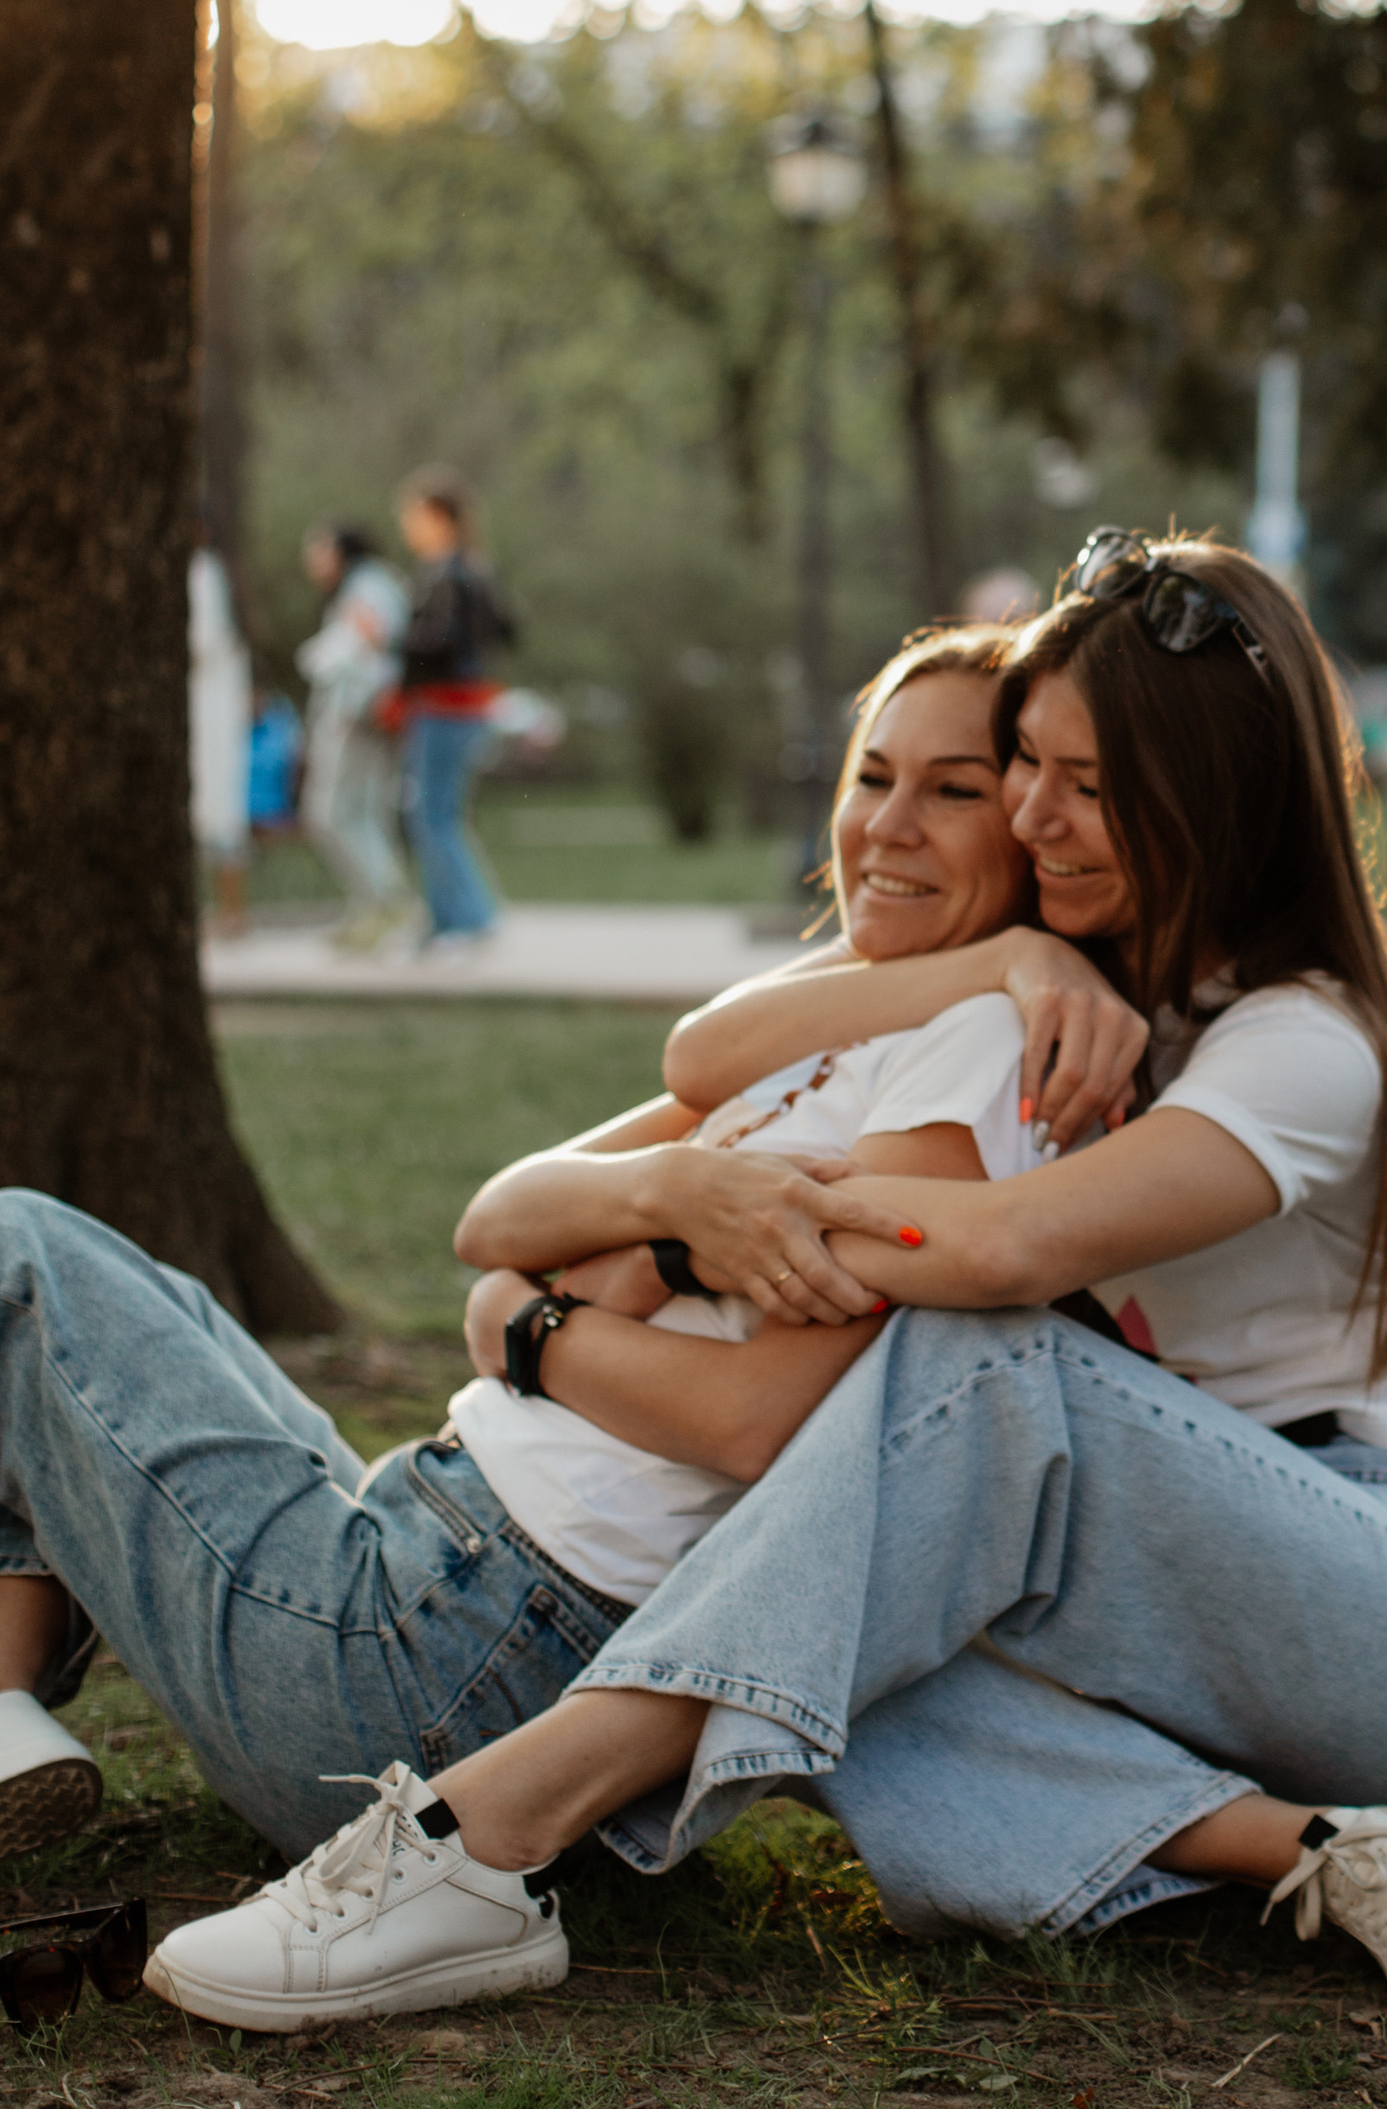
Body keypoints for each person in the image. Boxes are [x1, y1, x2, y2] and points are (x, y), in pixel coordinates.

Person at [146, 535, 1387, 2031]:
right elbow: (697, 1064)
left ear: (1220, 796)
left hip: (1385, 1612)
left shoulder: (1304, 1042)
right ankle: (1342, 1855)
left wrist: (671, 1240)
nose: (1032, 812)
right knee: (819, 1594)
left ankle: (482, 1839)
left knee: (971, 1363)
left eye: (1087, 783)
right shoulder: (1066, 994)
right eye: (1029, 769)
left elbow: (1000, 1250)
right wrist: (993, 961)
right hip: (1141, 1599)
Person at [0, 631, 1031, 1880]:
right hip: (434, 1572)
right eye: (873, 776)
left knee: (22, 1265)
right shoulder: (858, 1023)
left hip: (439, 1674)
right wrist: (671, 1198)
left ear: (1029, 821)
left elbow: (756, 1420)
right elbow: (497, 1221)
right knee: (143, 1317)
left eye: (956, 788)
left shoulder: (969, 1053)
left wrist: (535, 1329)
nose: (892, 824)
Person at [395, 468, 516, 947]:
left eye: (414, 515)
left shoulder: (449, 572)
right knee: (432, 810)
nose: (408, 525)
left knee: (433, 813)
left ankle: (468, 917)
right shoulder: (473, 568)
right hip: (456, 702)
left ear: (439, 517)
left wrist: (394, 643)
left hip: (447, 703)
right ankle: (446, 918)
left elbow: (441, 641)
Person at [296, 522, 412, 950]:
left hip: (357, 717)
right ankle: (374, 907)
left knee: (332, 813)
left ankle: (388, 906)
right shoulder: (371, 584)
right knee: (362, 813)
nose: (312, 562)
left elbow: (377, 638)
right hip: (362, 716)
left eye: (319, 551)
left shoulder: (368, 586)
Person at [188, 519, 253, 940]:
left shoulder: (203, 574)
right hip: (206, 705)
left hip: (211, 709)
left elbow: (203, 642)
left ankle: (232, 911)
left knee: (219, 810)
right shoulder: (204, 573)